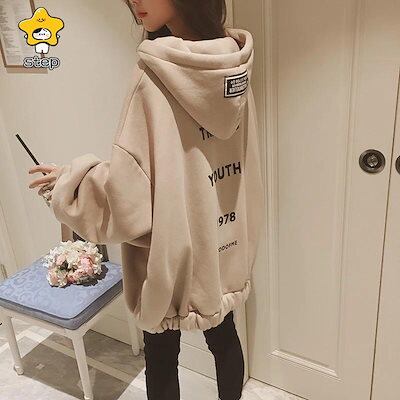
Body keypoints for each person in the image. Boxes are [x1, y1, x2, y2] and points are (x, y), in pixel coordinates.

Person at [27, 1, 265, 399]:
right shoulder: (231, 65)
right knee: (224, 335)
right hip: (224, 240)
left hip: (170, 249)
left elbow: (130, 195)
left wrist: (69, 183)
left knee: (161, 352)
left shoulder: (152, 75)